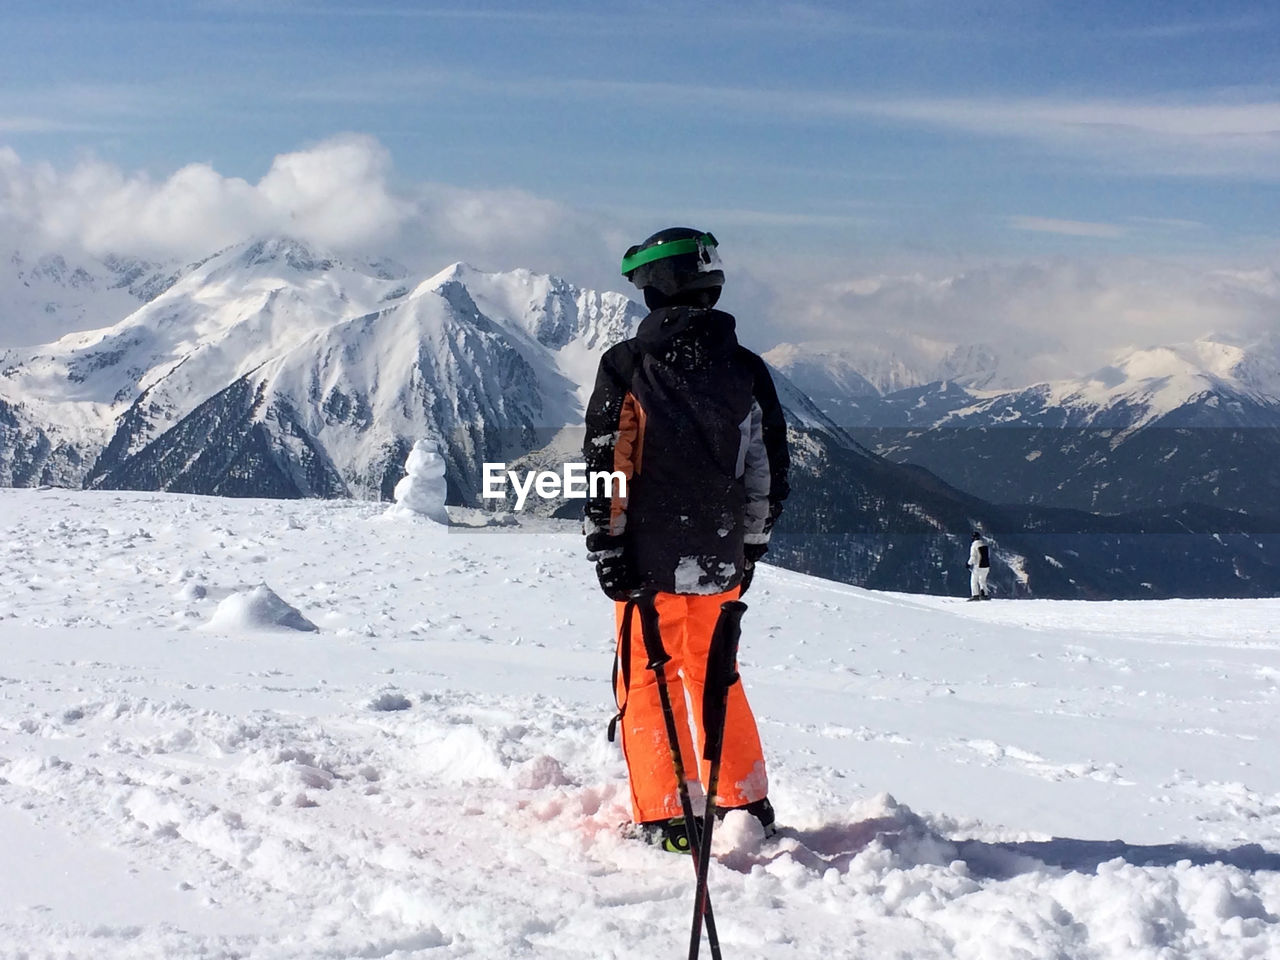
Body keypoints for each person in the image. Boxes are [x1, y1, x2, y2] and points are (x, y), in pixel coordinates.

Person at [582, 227, 790, 852]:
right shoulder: (746, 369)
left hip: (646, 561)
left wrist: (608, 545)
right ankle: (745, 799)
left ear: (656, 288)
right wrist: (750, 544)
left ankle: (670, 816)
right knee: (715, 671)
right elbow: (765, 469)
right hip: (720, 555)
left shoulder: (628, 365)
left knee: (648, 679)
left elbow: (606, 463)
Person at [967, 530, 990, 600]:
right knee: (982, 580)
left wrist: (968, 563)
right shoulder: (984, 544)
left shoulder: (974, 546)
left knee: (974, 580)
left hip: (978, 565)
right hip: (986, 566)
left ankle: (975, 595)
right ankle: (984, 594)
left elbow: (973, 557)